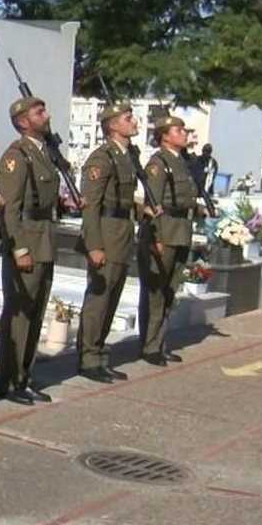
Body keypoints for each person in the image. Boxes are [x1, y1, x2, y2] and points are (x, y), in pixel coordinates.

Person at [0, 96, 68, 405]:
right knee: (20, 313)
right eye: (39, 112)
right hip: (27, 240)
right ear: (23, 121)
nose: (47, 115)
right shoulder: (17, 155)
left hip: (45, 239)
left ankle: (24, 376)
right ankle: (8, 379)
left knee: (36, 313)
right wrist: (19, 248)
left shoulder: (45, 154)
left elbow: (42, 199)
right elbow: (9, 209)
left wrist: (64, 204)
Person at [75, 102, 146, 384]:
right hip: (105, 233)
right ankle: (88, 357)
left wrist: (142, 212)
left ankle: (100, 354)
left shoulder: (126, 157)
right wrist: (94, 244)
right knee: (99, 299)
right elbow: (90, 205)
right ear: (113, 125)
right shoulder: (102, 158)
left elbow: (124, 201)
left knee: (112, 297)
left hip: (122, 233)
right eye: (128, 118)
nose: (134, 122)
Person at [138, 115, 210, 366]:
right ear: (164, 136)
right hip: (165, 231)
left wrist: (201, 211)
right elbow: (152, 203)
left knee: (170, 289)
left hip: (181, 230)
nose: (184, 134)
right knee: (156, 291)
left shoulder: (181, 163)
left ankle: (160, 341)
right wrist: (153, 238)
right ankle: (150, 345)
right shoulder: (159, 163)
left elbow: (183, 198)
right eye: (178, 130)